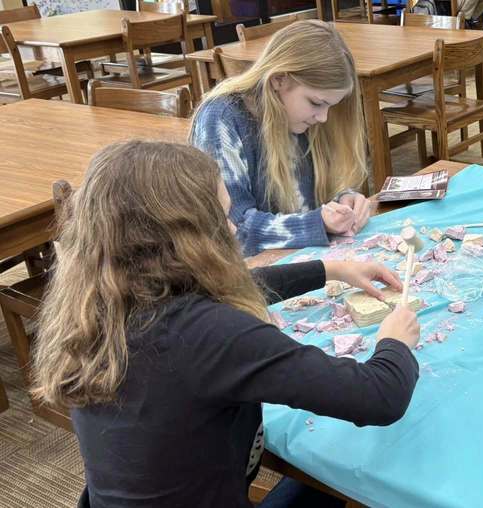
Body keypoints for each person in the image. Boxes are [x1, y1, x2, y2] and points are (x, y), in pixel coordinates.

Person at [32, 141, 422, 507]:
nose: (235, 229)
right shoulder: (210, 335)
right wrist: (394, 342)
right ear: (185, 238)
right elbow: (380, 396)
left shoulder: (97, 302)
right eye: (221, 218)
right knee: (340, 473)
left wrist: (330, 269)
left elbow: (216, 291)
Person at [191, 20, 372, 257]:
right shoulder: (221, 119)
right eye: (316, 103)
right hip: (249, 273)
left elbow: (313, 199)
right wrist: (317, 223)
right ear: (278, 79)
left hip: (305, 259)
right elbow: (233, 230)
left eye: (330, 106)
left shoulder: (302, 117)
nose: (324, 117)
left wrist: (343, 200)